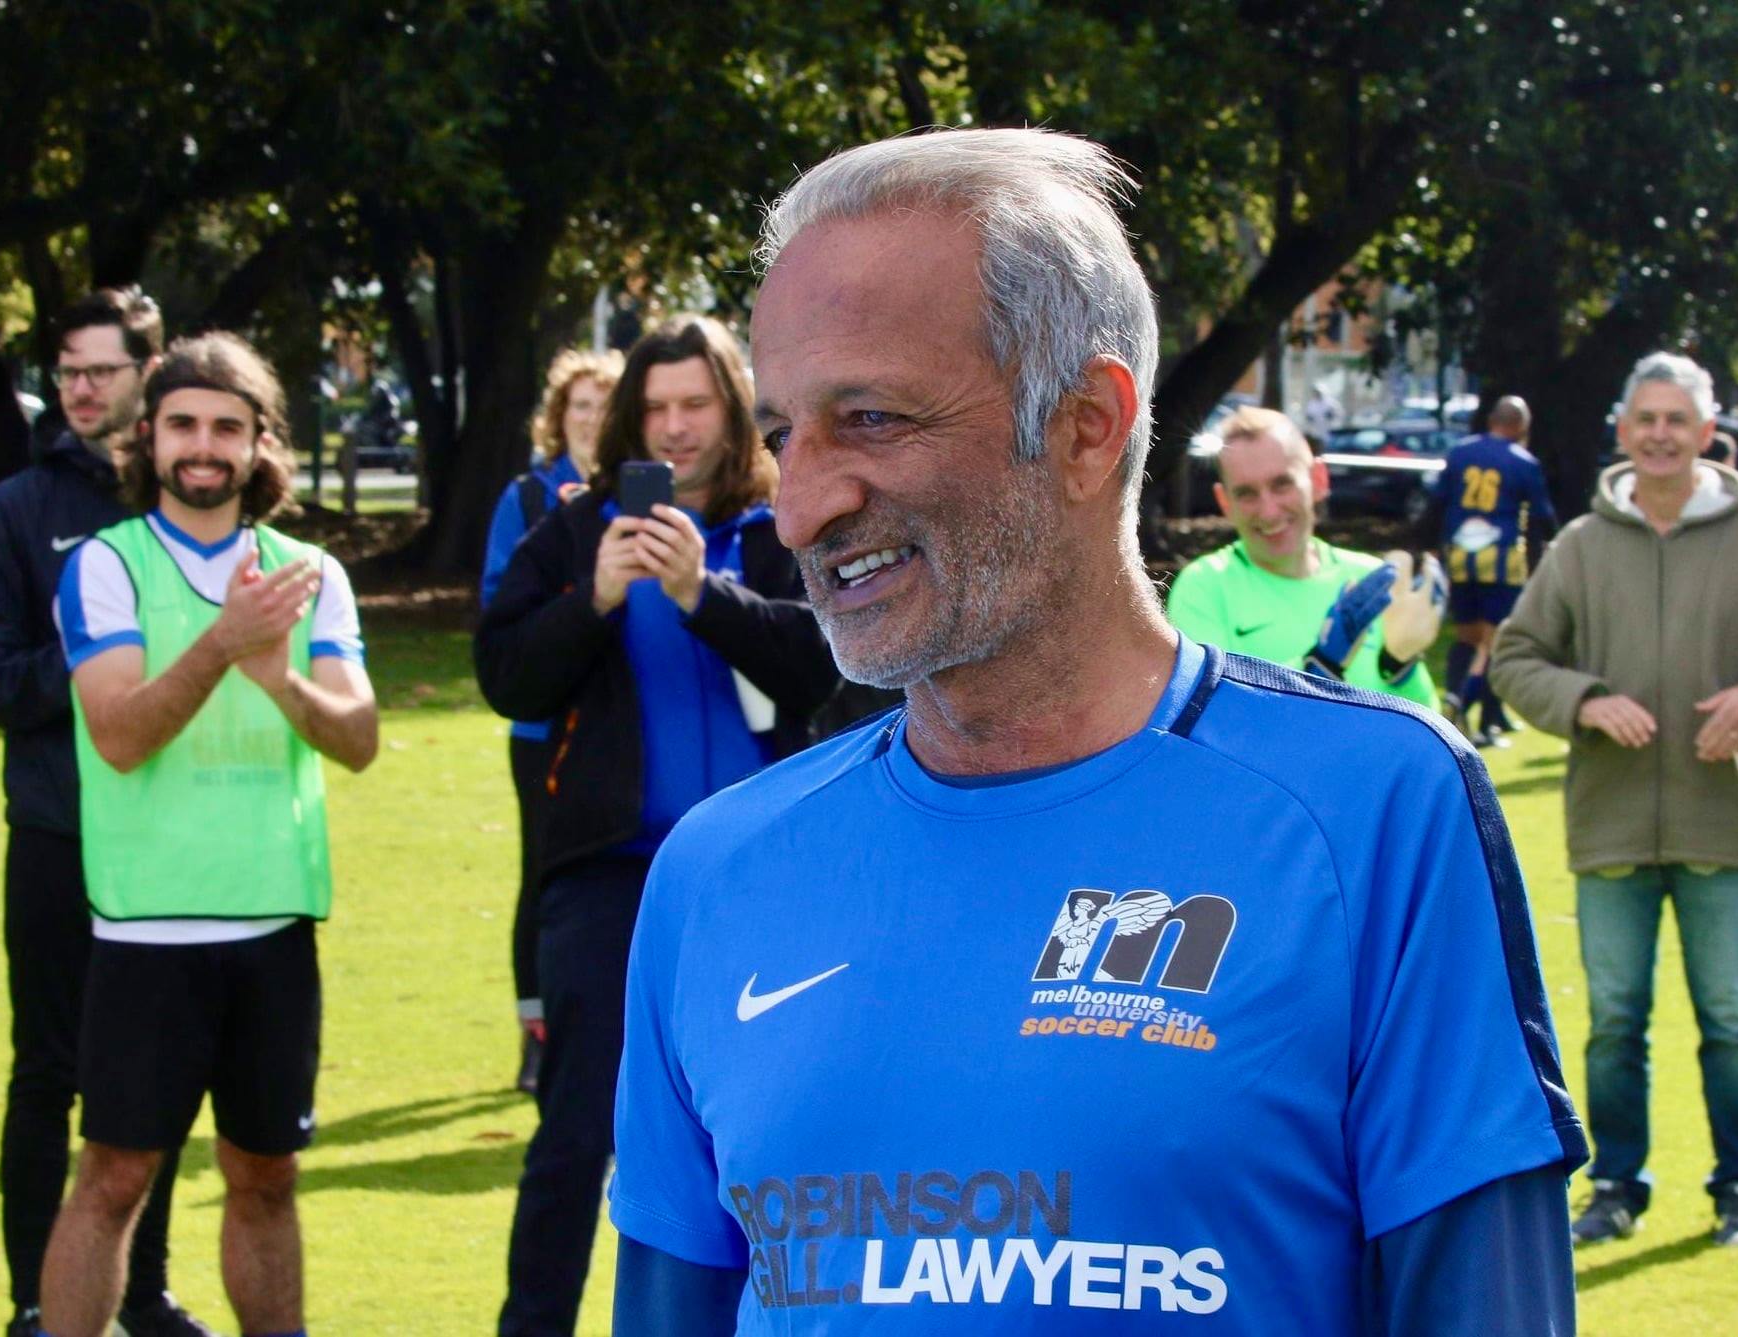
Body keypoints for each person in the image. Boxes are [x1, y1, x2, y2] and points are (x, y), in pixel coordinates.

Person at [609, 128, 1586, 1335]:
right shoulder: (714, 870)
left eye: (868, 417)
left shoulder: (1372, 811)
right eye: (783, 433)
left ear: (1084, 424)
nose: (801, 502)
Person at [475, 314, 840, 1337]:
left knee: (768, 1134)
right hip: (610, 878)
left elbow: (822, 666)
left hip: (764, 883)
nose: (675, 427)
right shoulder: (575, 526)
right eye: (657, 407)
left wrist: (699, 593)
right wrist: (593, 596)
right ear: (630, 418)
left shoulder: (784, 526)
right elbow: (505, 676)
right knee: (574, 1136)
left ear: (734, 409)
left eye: (696, 404)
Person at [38, 332, 378, 1337]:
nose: (204, 444)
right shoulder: (106, 563)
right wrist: (225, 643)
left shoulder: (308, 571)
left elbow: (356, 738)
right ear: (149, 436)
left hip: (273, 922)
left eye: (228, 426)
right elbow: (119, 731)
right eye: (184, 422)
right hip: (146, 927)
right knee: (111, 1175)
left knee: (266, 1176)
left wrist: (279, 676)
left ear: (259, 441)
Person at [1492, 352, 1738, 1250]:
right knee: (1614, 1023)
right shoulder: (1580, 546)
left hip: (1722, 824)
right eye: (1645, 418)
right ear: (1622, 430)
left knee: (1731, 1022)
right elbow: (1516, 660)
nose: (1659, 434)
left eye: (1676, 420)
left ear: (1706, 432)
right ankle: (1614, 1188)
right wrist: (1584, 700)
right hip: (1609, 825)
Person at [0, 289, 216, 1337]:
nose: (79, 389)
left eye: (100, 370)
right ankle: (37, 1299)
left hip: (173, 840)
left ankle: (143, 1293)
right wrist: (101, 670)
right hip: (61, 833)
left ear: (147, 374)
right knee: (48, 1070)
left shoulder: (192, 498)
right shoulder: (20, 506)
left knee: (155, 1077)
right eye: (66, 369)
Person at [480, 347, 626, 1095]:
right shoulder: (530, 500)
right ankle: (536, 1033)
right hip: (543, 731)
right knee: (540, 874)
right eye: (580, 407)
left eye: (605, 407)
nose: (591, 420)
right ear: (558, 416)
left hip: (612, 726)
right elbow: (499, 610)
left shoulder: (637, 500)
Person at [1165, 404, 1443, 707]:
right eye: (1246, 494)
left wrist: (1400, 667)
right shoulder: (1204, 587)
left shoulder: (1371, 582)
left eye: (1282, 484)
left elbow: (1427, 730)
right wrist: (1319, 667)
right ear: (1224, 501)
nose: (1269, 511)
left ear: (1319, 480)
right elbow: (1213, 719)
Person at [1427, 395, 1558, 745]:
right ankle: (1481, 721)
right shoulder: (1523, 462)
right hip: (1500, 563)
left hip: (1460, 558)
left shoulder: (1460, 452)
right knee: (1494, 644)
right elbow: (1542, 518)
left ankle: (1472, 713)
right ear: (1520, 427)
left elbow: (1437, 503)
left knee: (1466, 638)